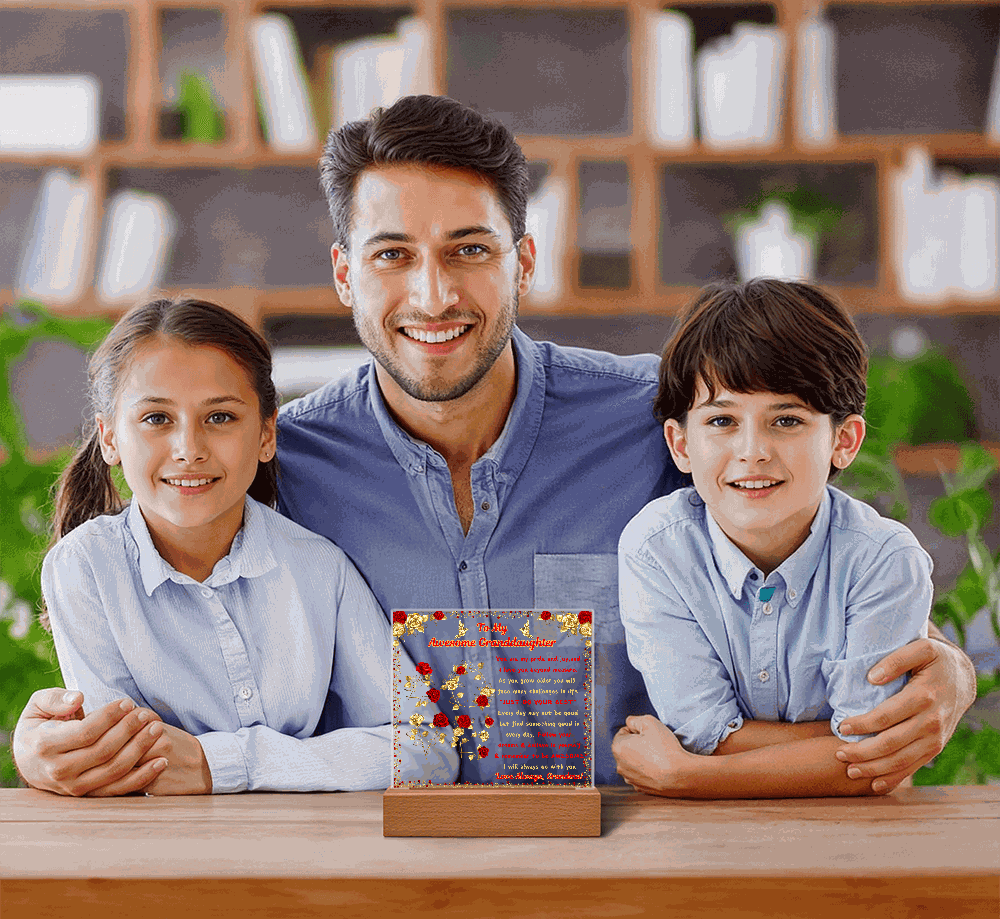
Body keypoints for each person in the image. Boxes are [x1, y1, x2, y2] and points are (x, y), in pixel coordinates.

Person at [13, 95, 975, 795]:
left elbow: (826, 562)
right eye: (394, 255)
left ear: (523, 260)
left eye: (469, 249)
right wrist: (50, 739)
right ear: (347, 275)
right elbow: (156, 612)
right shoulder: (274, 463)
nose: (433, 296)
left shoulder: (664, 417)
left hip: (655, 862)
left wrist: (944, 667)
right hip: (376, 881)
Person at [32, 297, 455, 794]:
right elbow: (125, 767)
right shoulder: (85, 568)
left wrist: (222, 764)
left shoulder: (319, 569)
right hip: (153, 858)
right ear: (109, 439)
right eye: (155, 419)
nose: (189, 449)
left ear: (266, 434)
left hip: (308, 851)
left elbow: (428, 751)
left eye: (221, 418)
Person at [613, 279, 933, 797]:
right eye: (721, 420)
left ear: (843, 441)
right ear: (681, 444)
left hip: (856, 844)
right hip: (697, 843)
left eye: (787, 420)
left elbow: (878, 760)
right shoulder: (656, 549)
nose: (752, 451)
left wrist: (690, 776)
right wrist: (836, 749)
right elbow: (700, 733)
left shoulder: (884, 561)